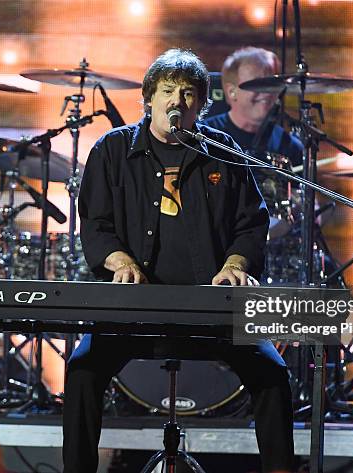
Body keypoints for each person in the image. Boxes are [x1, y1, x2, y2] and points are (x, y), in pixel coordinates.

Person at [63, 49, 294, 473]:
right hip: (132, 309)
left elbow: (252, 222)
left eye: (188, 94)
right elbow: (95, 225)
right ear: (149, 98)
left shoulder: (223, 151)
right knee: (81, 371)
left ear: (201, 105)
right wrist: (118, 262)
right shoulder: (112, 151)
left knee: (274, 374)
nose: (176, 101)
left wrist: (236, 264)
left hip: (213, 309)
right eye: (167, 91)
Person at [203, 47, 302, 165]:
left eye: (272, 84)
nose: (267, 93)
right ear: (231, 92)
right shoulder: (204, 138)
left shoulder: (289, 146)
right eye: (257, 84)